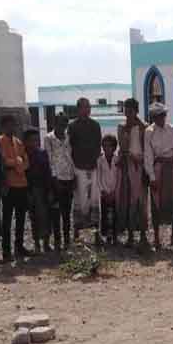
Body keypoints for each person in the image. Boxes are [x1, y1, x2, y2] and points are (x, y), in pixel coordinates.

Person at [144, 102, 173, 249]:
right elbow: (148, 155)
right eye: (157, 116)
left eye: (162, 115)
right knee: (156, 203)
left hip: (171, 168)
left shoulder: (172, 129)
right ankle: (157, 238)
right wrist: (152, 177)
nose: (160, 118)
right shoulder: (149, 132)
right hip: (157, 169)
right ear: (153, 117)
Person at [68, 97, 102, 241]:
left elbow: (98, 145)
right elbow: (70, 148)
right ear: (78, 109)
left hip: (93, 168)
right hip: (78, 168)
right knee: (79, 200)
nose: (87, 109)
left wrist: (93, 162)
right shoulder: (72, 126)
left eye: (88, 107)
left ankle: (96, 233)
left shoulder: (95, 125)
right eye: (84, 107)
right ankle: (77, 232)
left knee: (94, 200)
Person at [0, 115, 30, 261]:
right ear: (3, 126)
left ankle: (19, 246)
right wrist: (17, 164)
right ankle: (6, 251)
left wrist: (19, 165)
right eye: (9, 125)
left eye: (13, 125)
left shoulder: (18, 142)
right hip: (9, 185)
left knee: (21, 218)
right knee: (7, 219)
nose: (11, 128)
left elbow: (26, 161)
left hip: (22, 184)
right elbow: (3, 161)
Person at [117, 98, 148, 246]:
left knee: (141, 201)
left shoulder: (144, 127)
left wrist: (140, 160)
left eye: (130, 111)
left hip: (141, 167)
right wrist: (128, 156)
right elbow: (122, 148)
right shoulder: (121, 128)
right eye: (126, 111)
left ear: (136, 111)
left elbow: (147, 149)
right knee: (128, 200)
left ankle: (142, 234)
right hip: (127, 167)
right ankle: (130, 235)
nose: (128, 114)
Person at [44, 113, 74, 250]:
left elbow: (71, 156)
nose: (63, 127)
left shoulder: (69, 137)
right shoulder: (49, 138)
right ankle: (57, 241)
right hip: (56, 180)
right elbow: (49, 159)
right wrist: (54, 179)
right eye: (60, 124)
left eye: (65, 124)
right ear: (55, 124)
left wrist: (74, 175)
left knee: (67, 212)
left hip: (69, 178)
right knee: (56, 212)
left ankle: (67, 240)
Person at [23, 129, 52, 253]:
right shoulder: (23, 155)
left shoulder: (42, 153)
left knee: (45, 216)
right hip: (29, 189)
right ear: (26, 141)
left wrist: (49, 190)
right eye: (31, 140)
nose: (34, 143)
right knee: (34, 217)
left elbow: (47, 172)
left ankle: (46, 243)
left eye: (36, 140)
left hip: (42, 189)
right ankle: (37, 244)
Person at [98, 135, 119, 246]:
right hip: (104, 193)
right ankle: (107, 236)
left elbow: (119, 177)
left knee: (115, 214)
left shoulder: (117, 160)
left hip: (115, 192)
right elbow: (98, 177)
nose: (107, 148)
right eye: (105, 146)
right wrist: (103, 191)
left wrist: (114, 192)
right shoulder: (100, 160)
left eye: (110, 146)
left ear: (114, 147)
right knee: (105, 214)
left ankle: (115, 235)